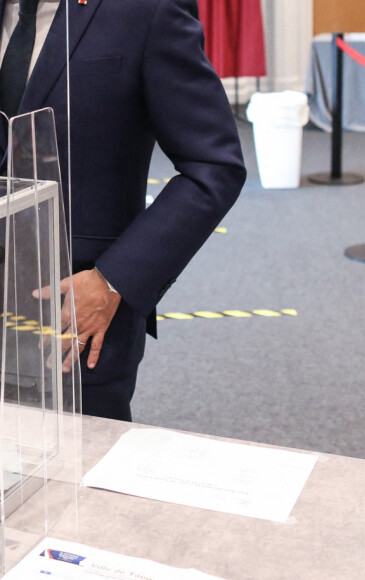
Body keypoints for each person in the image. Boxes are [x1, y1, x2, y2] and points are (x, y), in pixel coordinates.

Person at [0, 0, 246, 421]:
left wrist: (113, 280)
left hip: (73, 317)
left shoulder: (145, 10)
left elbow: (214, 166)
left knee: (76, 479)